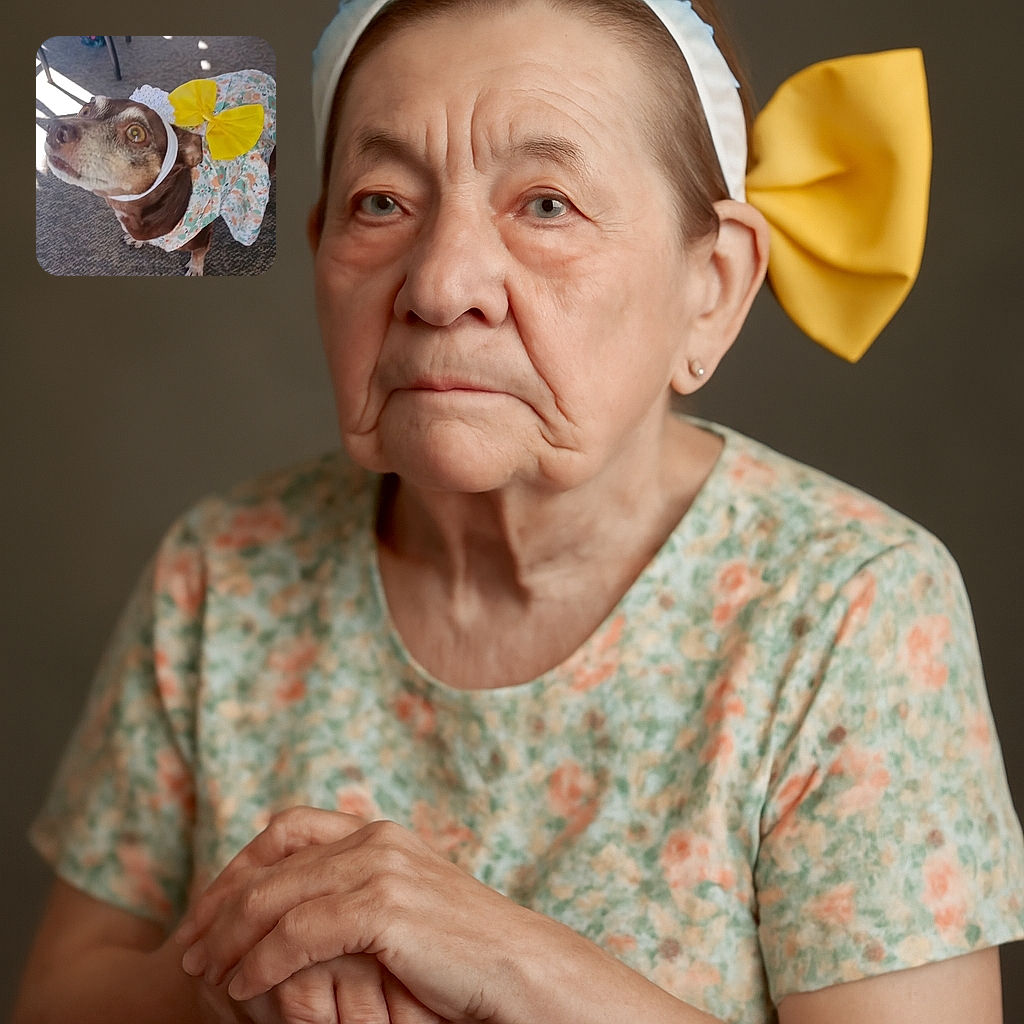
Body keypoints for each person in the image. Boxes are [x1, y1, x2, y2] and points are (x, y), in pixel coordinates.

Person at [12, 0, 1024, 1022]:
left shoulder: (851, 607)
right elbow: (58, 993)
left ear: (711, 286)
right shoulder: (223, 569)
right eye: (380, 203)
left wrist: (506, 961)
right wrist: (237, 975)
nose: (443, 285)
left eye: (545, 204)